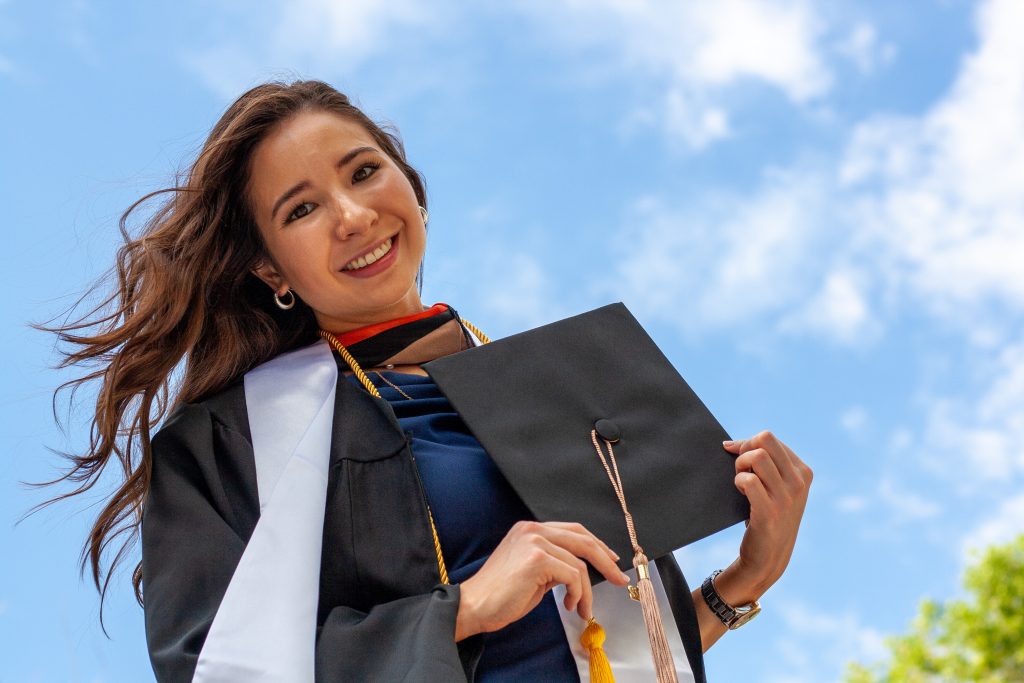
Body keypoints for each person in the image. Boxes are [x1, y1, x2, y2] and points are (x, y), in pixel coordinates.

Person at [37, 79, 813, 682]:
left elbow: (605, 651)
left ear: (411, 187)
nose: (351, 215)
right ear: (269, 267)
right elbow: (210, 667)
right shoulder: (227, 440)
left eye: (364, 172)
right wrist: (461, 610)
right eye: (302, 208)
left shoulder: (563, 387)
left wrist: (743, 580)